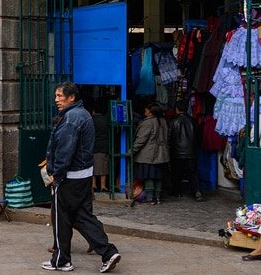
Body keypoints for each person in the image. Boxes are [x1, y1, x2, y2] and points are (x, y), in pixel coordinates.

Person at [43, 82, 121, 273]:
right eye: (56, 96)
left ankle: (61, 260)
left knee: (62, 219)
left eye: (60, 96)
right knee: (82, 216)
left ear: (71, 97)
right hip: (83, 176)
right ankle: (108, 252)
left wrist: (56, 174)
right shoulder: (83, 114)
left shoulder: (72, 118)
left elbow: (65, 150)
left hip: (69, 177)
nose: (56, 100)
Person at [131, 103, 169, 204]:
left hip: (148, 155)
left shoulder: (148, 123)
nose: (145, 111)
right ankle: (158, 197)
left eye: (146, 110)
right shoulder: (163, 121)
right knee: (158, 176)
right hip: (162, 154)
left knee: (149, 176)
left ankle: (150, 197)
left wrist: (132, 150)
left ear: (150, 112)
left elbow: (141, 140)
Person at [168, 100, 203, 202]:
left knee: (177, 173)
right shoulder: (193, 121)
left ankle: (176, 191)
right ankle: (197, 191)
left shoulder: (172, 121)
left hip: (177, 152)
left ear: (176, 109)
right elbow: (199, 136)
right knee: (193, 173)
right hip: (191, 151)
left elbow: (169, 137)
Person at [90, 102, 110, 193]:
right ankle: (103, 185)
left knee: (92, 166)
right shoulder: (106, 120)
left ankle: (93, 185)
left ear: (93, 111)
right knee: (104, 167)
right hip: (104, 146)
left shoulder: (90, 120)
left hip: (93, 146)